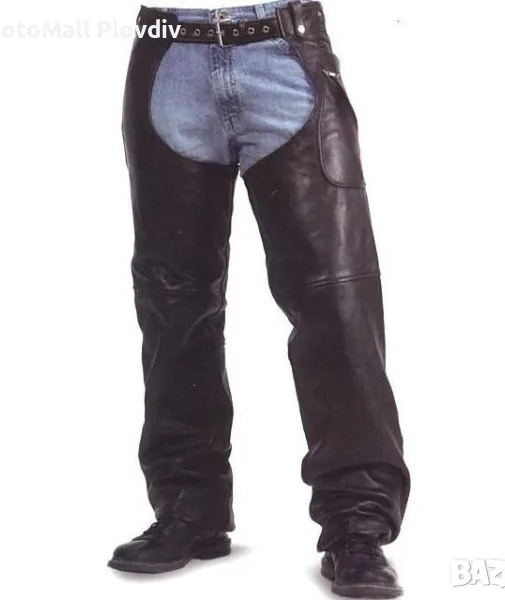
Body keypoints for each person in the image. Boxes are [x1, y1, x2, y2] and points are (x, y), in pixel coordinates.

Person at [108, 1, 411, 597]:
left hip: (285, 49)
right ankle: (189, 508)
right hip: (168, 54)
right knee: (172, 302)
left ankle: (357, 526)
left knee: (336, 300)